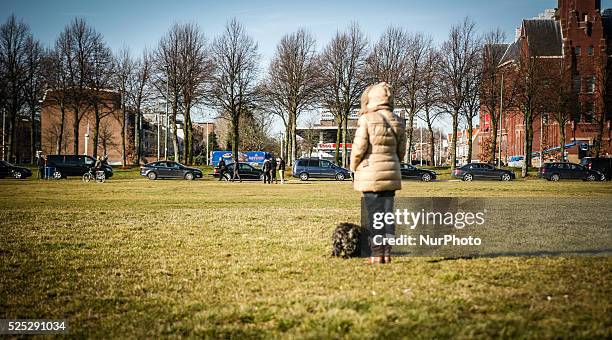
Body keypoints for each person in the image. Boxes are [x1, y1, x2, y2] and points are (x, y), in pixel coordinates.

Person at [350, 82, 406, 265]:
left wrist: (353, 166)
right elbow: (401, 151)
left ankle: (375, 254)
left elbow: (359, 148)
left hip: (370, 174)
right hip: (390, 175)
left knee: (374, 216)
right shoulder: (398, 121)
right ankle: (387, 254)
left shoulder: (367, 119)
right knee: (387, 214)